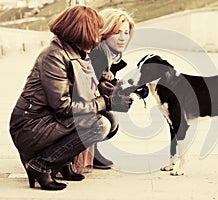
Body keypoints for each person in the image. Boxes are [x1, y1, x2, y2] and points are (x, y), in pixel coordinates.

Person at [9, 5, 133, 191]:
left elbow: (78, 91)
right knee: (100, 125)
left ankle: (62, 162)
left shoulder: (76, 52)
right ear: (82, 30)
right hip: (31, 126)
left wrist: (103, 89)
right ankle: (40, 165)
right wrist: (106, 102)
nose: (99, 36)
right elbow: (63, 107)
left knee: (109, 119)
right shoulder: (54, 56)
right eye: (96, 30)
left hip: (48, 120)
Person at [86, 8, 136, 170]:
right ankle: (89, 152)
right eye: (117, 32)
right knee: (108, 122)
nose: (123, 38)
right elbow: (87, 93)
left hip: (84, 106)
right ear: (105, 32)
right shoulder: (98, 53)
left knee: (111, 120)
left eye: (126, 33)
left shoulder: (108, 53)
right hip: (74, 110)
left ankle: (90, 151)